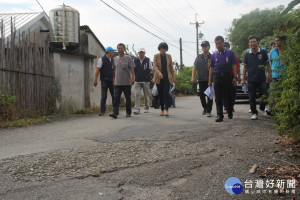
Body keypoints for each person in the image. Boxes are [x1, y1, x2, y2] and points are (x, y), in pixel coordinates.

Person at [242, 36, 272, 120]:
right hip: (251, 79)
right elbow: (245, 68)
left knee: (265, 95)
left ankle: (262, 108)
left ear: (258, 42)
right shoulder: (247, 54)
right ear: (249, 44)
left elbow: (267, 64)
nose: (252, 43)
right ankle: (254, 113)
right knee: (252, 97)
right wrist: (243, 78)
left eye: (254, 41)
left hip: (262, 79)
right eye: (251, 42)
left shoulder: (263, 52)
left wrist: (270, 74)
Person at [208, 36, 237, 122]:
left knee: (228, 95)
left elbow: (234, 64)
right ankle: (219, 115)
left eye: (219, 43)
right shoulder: (214, 55)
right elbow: (211, 68)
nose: (218, 45)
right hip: (217, 77)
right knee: (218, 97)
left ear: (223, 43)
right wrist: (210, 80)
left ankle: (229, 110)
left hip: (227, 76)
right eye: (216, 43)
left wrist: (235, 77)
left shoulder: (230, 52)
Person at [109, 43, 135, 119]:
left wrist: (132, 78)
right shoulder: (115, 59)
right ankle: (115, 112)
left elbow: (132, 69)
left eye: (121, 48)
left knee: (128, 97)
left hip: (127, 81)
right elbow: (114, 70)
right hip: (117, 82)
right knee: (116, 97)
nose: (120, 49)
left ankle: (128, 112)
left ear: (124, 49)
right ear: (117, 49)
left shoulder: (129, 58)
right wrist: (114, 79)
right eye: (119, 48)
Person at [152, 42, 175, 117]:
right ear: (159, 48)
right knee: (161, 94)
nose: (163, 50)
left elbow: (171, 67)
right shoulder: (156, 56)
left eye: (164, 49)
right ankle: (162, 109)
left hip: (167, 78)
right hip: (158, 78)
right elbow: (155, 66)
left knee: (166, 93)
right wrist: (159, 73)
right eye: (162, 48)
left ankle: (166, 110)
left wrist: (173, 77)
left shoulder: (169, 56)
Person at [191, 40, 213, 117]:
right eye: (203, 47)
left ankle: (209, 111)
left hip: (210, 79)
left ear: (209, 47)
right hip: (201, 79)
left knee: (210, 96)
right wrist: (193, 76)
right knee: (201, 96)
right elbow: (195, 67)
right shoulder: (199, 57)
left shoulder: (212, 56)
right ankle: (205, 108)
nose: (204, 48)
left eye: (205, 46)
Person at [93, 46, 116, 116]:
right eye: (112, 51)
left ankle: (115, 110)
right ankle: (102, 111)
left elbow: (114, 70)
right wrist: (95, 79)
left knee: (114, 96)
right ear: (109, 51)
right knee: (104, 96)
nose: (113, 52)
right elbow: (97, 70)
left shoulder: (112, 60)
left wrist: (114, 79)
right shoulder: (101, 59)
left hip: (111, 80)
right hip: (104, 81)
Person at [133, 48, 153, 114]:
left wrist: (145, 73)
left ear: (145, 53)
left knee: (146, 95)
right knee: (137, 94)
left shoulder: (148, 60)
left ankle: (146, 107)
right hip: (137, 80)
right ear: (138, 53)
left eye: (142, 52)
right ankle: (137, 109)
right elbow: (133, 70)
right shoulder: (135, 60)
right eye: (140, 52)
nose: (141, 53)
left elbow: (150, 69)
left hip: (146, 80)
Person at [223, 42, 241, 113]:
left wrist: (237, 77)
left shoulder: (233, 55)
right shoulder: (220, 55)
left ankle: (231, 106)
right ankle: (225, 107)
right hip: (224, 77)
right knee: (224, 93)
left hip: (232, 77)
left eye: (227, 48)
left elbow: (237, 67)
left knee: (232, 93)